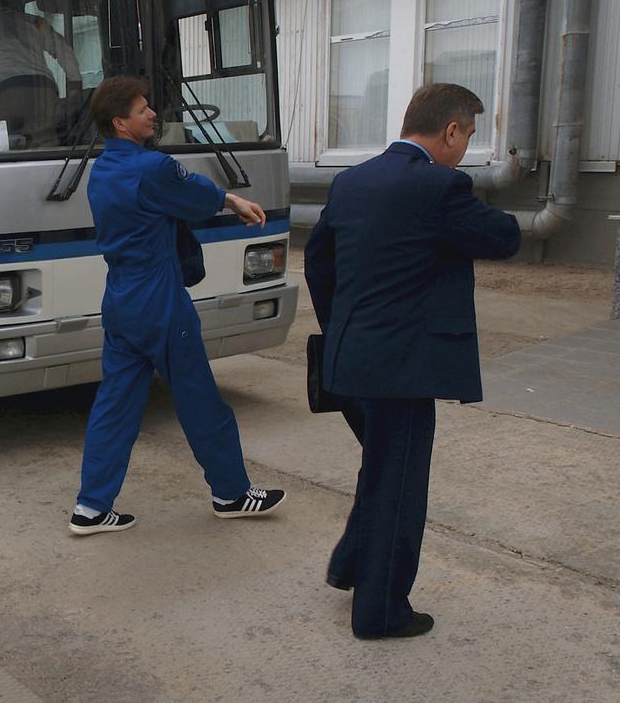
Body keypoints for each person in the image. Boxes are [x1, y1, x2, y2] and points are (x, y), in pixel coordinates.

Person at [305, 83, 521, 639]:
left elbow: (319, 264)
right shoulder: (439, 187)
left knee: (380, 469)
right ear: (450, 131)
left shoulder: (351, 181)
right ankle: (380, 611)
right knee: (397, 486)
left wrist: (343, 332)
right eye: (468, 136)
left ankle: (352, 565)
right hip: (400, 371)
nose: (466, 149)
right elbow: (501, 238)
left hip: (348, 363)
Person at [69, 76, 285, 536]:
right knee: (200, 399)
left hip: (121, 298)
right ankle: (231, 493)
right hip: (159, 299)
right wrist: (233, 199)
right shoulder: (153, 168)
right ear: (120, 122)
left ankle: (91, 506)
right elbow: (195, 196)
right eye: (143, 108)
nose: (152, 114)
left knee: (115, 405)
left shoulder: (103, 170)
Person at [0, 0, 82, 148]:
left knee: (2, 147)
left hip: (4, 91)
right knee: (45, 146)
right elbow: (64, 52)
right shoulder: (35, 23)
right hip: (42, 89)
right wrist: (75, 87)